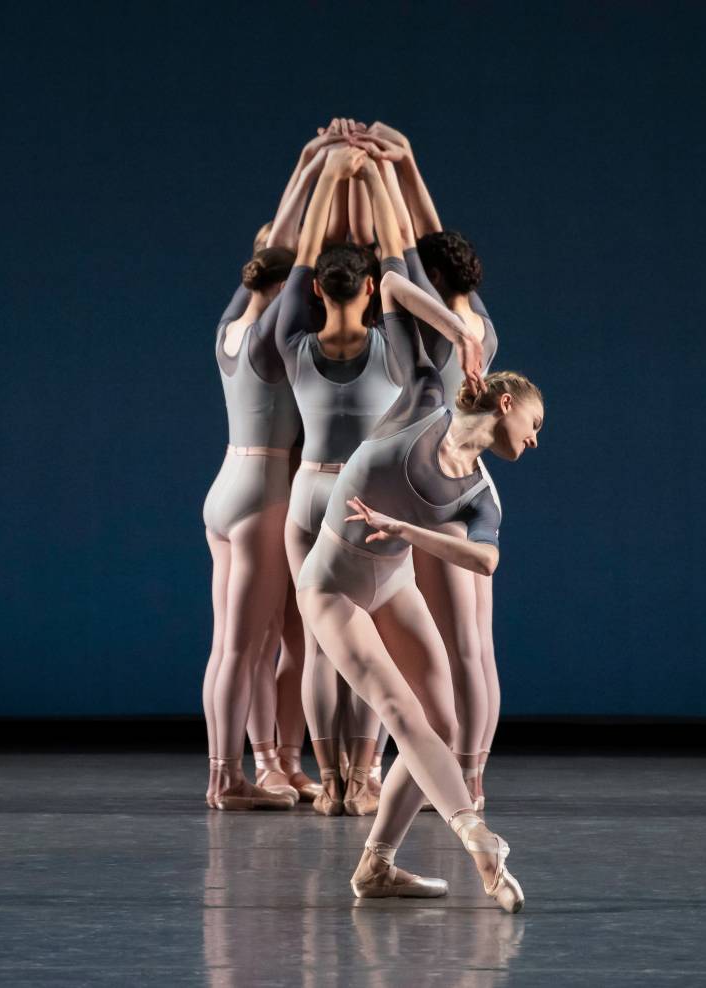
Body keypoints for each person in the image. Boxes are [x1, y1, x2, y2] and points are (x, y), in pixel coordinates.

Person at [296, 154, 542, 911]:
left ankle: (376, 864)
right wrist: (458, 333)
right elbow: (396, 284)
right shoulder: (423, 395)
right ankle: (476, 838)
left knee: (435, 717)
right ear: (501, 406)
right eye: (534, 425)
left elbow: (485, 560)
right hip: (332, 583)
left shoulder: (479, 490)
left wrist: (407, 528)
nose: (535, 441)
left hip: (392, 578)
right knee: (400, 712)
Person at [200, 135, 343, 810]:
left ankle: (272, 764)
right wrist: (320, 179)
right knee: (242, 647)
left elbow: (276, 253)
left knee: (257, 642)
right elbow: (298, 254)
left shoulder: (231, 323)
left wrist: (308, 164)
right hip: (263, 492)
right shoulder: (271, 331)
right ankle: (227, 776)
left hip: (228, 485)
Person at [275, 144, 418, 816]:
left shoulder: (294, 347)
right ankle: (363, 781)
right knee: (368, 644)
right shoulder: (393, 352)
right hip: (362, 505)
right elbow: (403, 264)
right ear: (368, 290)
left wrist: (321, 178)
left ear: (314, 291)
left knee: (317, 648)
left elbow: (295, 264)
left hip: (307, 496)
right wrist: (386, 175)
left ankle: (327, 782)